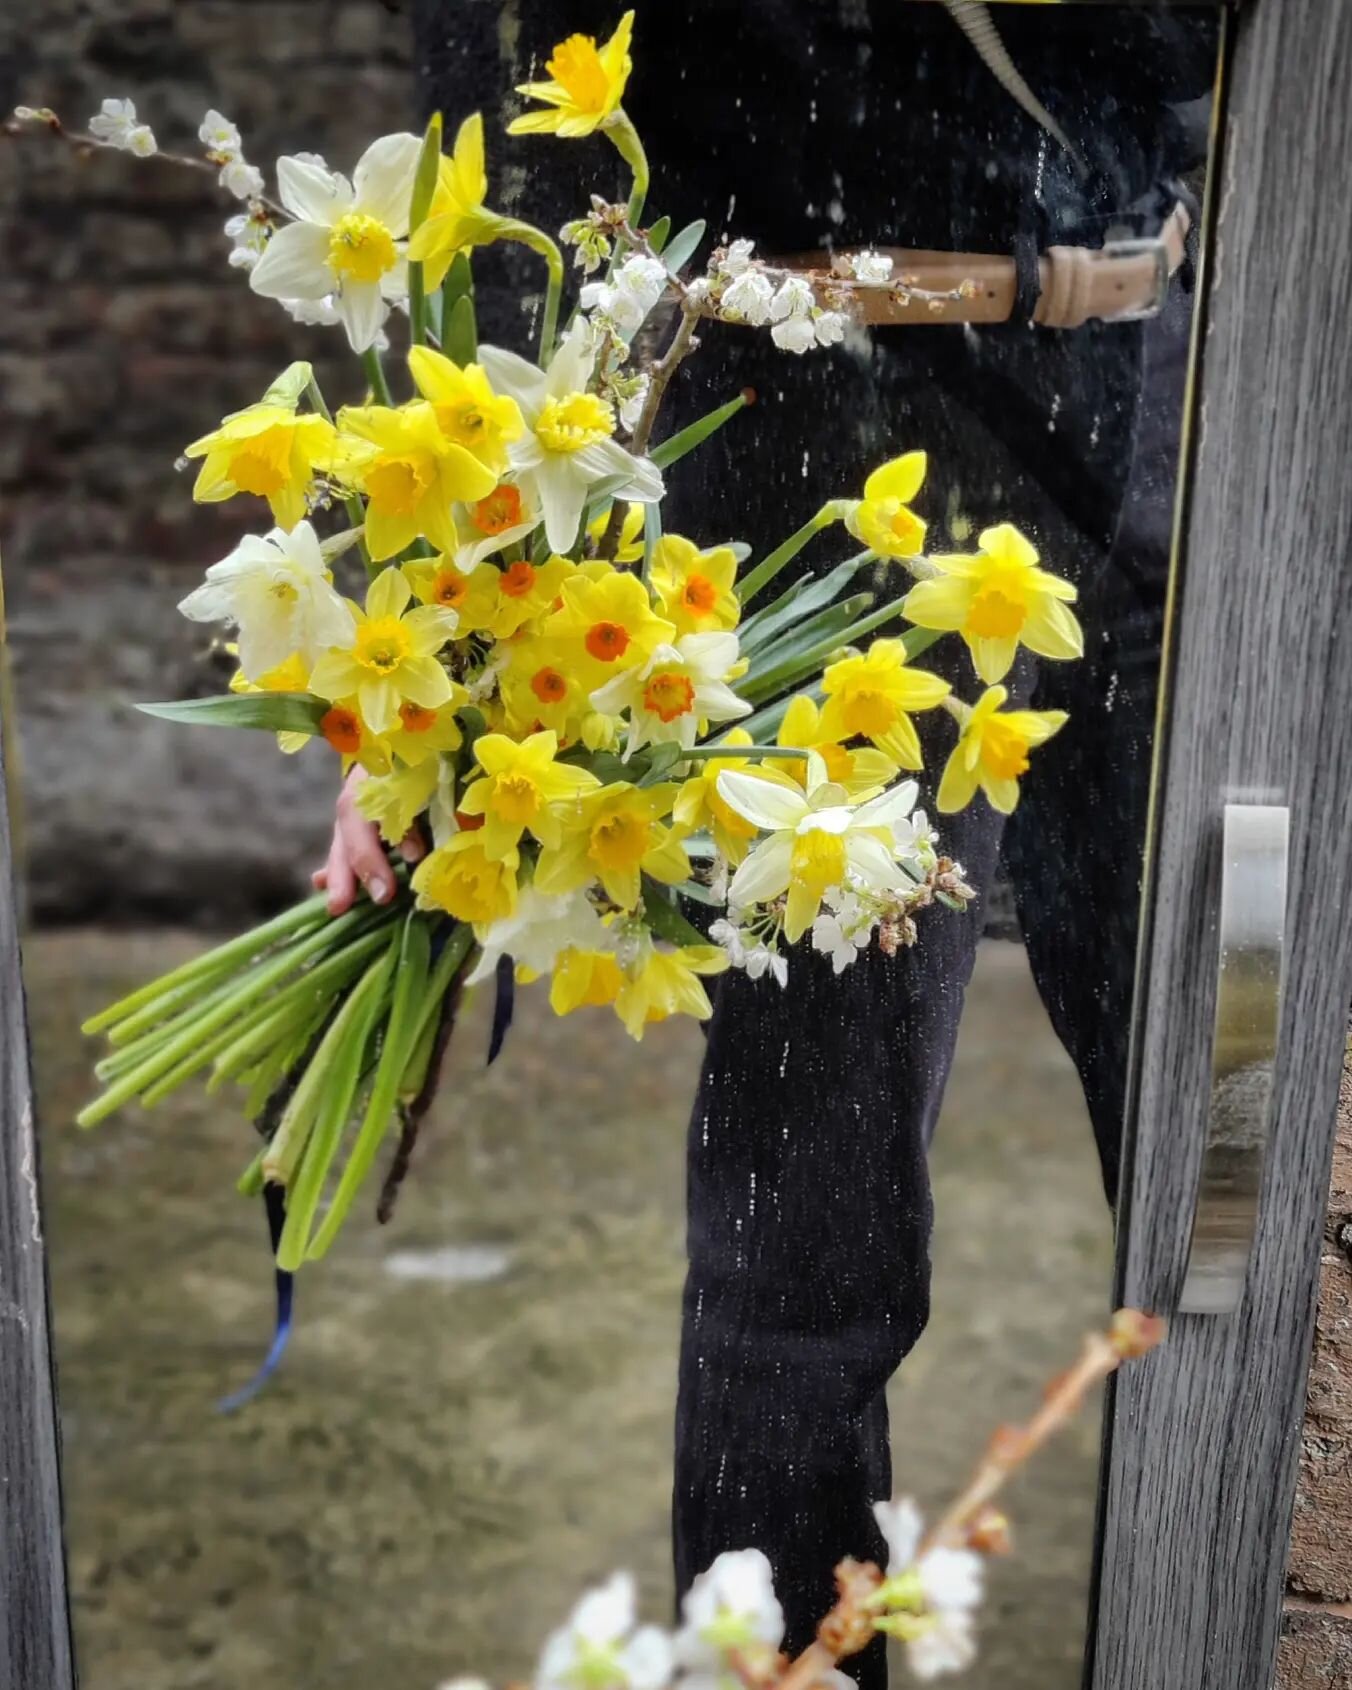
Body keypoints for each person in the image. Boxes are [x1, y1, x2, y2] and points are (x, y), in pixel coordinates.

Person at [319, 5, 1217, 1681]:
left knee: (1239, 1170)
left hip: (1174, 430)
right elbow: (498, 172)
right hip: (824, 452)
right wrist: (424, 641)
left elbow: (1175, 52)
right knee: (808, 1241)